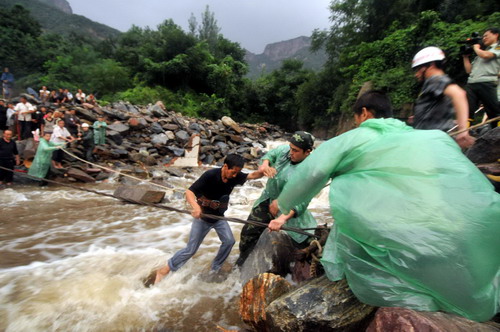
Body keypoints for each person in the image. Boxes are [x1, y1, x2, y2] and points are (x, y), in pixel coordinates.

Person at [269, 91, 500, 322]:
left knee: (351, 203)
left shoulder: (358, 136)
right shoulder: (430, 138)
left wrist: (283, 202)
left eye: (357, 118)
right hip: (459, 228)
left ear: (365, 113)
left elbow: (315, 171)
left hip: (397, 231)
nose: (357, 123)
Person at [154, 154, 264, 284]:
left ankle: (215, 268)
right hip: (203, 217)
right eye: (233, 172)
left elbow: (252, 176)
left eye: (237, 173)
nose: (235, 176)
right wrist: (195, 207)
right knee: (191, 249)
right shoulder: (210, 175)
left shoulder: (235, 176)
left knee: (229, 241)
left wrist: (264, 170)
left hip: (218, 218)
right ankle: (164, 270)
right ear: (225, 166)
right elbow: (189, 192)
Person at [236, 131, 317, 266]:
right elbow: (270, 155)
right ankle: (242, 263)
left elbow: (303, 201)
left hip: (289, 207)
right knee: (248, 232)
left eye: (296, 150)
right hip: (268, 199)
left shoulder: (310, 171)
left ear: (307, 152)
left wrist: (282, 218)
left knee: (295, 243)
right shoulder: (285, 151)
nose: (291, 152)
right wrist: (265, 165)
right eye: (291, 148)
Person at [412, 46, 475, 148]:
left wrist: (463, 131)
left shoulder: (436, 79)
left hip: (434, 142)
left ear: (431, 65)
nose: (416, 74)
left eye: (418, 69)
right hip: (431, 139)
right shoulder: (433, 82)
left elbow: (459, 94)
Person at [462, 27, 500, 127]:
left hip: (487, 82)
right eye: (483, 37)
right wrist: (465, 57)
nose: (484, 38)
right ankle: (465, 133)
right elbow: (469, 70)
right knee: (467, 110)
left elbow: (486, 56)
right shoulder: (480, 52)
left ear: (496, 35)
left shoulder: (497, 47)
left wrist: (476, 47)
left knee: (494, 111)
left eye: (486, 35)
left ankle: (496, 133)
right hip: (472, 83)